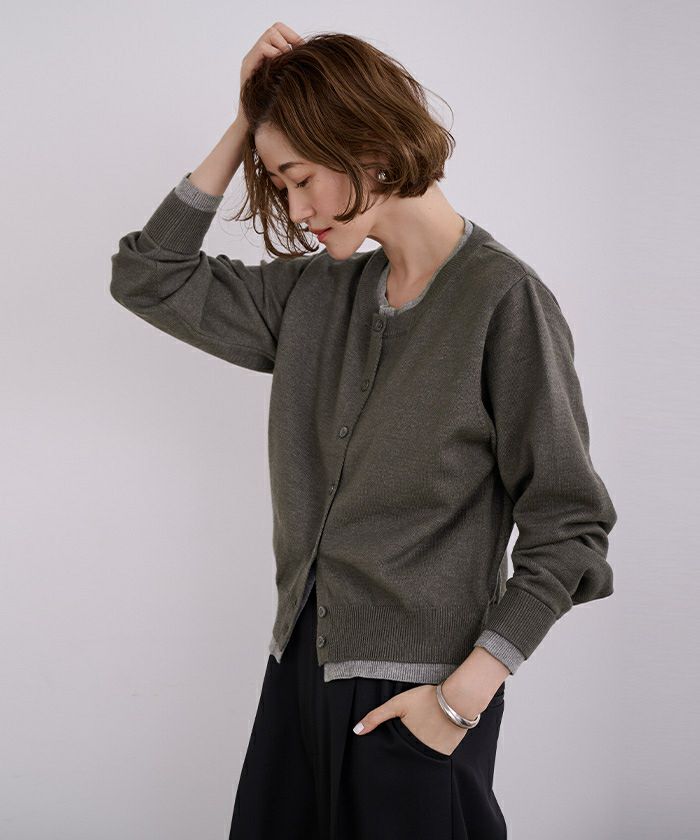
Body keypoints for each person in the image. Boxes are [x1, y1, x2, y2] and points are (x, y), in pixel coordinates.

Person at [110, 24, 618, 840]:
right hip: (298, 672)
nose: (296, 210)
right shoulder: (316, 294)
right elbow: (148, 276)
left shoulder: (503, 301)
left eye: (300, 179)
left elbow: (572, 527)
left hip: (419, 699)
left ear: (370, 149)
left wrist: (461, 699)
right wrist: (248, 118)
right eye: (281, 185)